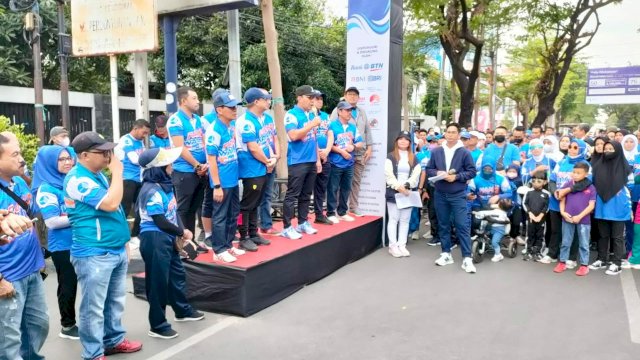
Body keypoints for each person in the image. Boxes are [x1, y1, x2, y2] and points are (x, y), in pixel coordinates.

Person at [64, 131, 142, 359]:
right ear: (85, 155)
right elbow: (110, 203)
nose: (109, 156)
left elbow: (115, 211)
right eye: (103, 152)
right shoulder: (77, 179)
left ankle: (113, 340)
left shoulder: (95, 173)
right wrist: (118, 172)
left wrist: (124, 241)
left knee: (114, 301)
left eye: (109, 151)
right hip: (93, 253)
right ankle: (93, 352)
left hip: (113, 249)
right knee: (93, 308)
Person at [137, 147, 204, 339]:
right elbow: (160, 221)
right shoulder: (151, 191)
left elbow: (173, 214)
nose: (172, 167)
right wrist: (182, 232)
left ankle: (182, 310)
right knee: (158, 282)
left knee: (177, 274)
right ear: (158, 168)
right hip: (155, 239)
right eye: (169, 164)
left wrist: (181, 233)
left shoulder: (165, 185)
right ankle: (157, 325)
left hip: (167, 236)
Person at [0, 132, 48, 360]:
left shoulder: (19, 182)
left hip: (31, 271)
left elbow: (32, 217)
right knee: (8, 341)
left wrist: (40, 259)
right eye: (15, 154)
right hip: (8, 276)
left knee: (38, 326)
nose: (21, 159)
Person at [34, 145, 78, 339]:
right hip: (63, 246)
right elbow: (52, 222)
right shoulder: (46, 189)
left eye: (69, 158)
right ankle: (67, 326)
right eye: (61, 159)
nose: (68, 162)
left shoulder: (72, 181)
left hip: (82, 242)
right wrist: (82, 217)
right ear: (50, 163)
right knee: (68, 285)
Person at [425, 123, 477, 273]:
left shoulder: (464, 152)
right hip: (440, 193)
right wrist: (438, 174)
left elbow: (472, 172)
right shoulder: (436, 151)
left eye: (454, 132)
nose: (451, 135)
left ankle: (467, 258)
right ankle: (446, 253)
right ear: (445, 134)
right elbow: (428, 169)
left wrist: (456, 177)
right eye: (448, 132)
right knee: (443, 224)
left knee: (462, 225)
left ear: (458, 135)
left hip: (458, 194)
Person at [205, 91, 244, 263]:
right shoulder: (214, 130)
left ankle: (228, 245)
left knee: (233, 213)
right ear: (219, 109)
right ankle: (218, 249)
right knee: (220, 216)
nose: (235, 110)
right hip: (222, 182)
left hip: (233, 180)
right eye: (230, 107)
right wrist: (217, 185)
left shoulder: (230, 126)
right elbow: (211, 159)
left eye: (235, 106)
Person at [235, 88, 276, 250]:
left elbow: (267, 142)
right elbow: (253, 147)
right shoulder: (246, 121)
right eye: (266, 99)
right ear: (256, 101)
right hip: (251, 168)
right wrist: (267, 161)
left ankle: (253, 233)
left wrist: (272, 157)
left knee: (256, 202)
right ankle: (243, 236)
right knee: (247, 204)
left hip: (263, 166)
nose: (269, 101)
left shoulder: (264, 118)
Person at [280, 85, 322, 240]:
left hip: (311, 160)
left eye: (314, 98)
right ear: (299, 97)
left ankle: (303, 222)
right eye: (309, 97)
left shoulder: (310, 115)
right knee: (292, 195)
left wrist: (317, 159)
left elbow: (314, 139)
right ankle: (287, 227)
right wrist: (312, 124)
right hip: (297, 161)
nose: (312, 101)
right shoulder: (291, 115)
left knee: (306, 194)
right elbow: (293, 135)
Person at [540, 138, 590, 266]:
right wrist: (556, 192)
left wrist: (566, 191)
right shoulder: (561, 162)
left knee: (574, 232)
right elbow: (552, 180)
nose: (572, 150)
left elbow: (586, 183)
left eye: (575, 147)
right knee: (555, 230)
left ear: (582, 149)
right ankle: (552, 254)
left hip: (574, 203)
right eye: (570, 147)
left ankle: (571, 258)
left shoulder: (585, 164)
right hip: (556, 201)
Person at [167, 87, 209, 234]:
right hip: (184, 172)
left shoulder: (198, 120)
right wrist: (197, 165)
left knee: (194, 208)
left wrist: (205, 165)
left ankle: (191, 241)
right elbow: (181, 147)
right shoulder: (175, 120)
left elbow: (205, 143)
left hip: (201, 171)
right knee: (183, 210)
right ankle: (183, 243)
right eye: (194, 98)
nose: (198, 102)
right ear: (184, 101)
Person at [591, 140, 632, 276]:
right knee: (602, 235)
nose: (608, 151)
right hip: (602, 204)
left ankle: (617, 262)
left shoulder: (625, 167)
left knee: (618, 236)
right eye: (606, 148)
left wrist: (630, 207)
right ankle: (602, 259)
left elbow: (630, 188)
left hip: (619, 205)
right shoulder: (597, 165)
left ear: (618, 150)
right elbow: (592, 183)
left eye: (611, 149)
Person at [331, 86, 373, 217]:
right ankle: (337, 210)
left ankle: (354, 207)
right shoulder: (336, 111)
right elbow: (331, 133)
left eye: (355, 95)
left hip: (359, 153)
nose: (353, 96)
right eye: (350, 94)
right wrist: (340, 150)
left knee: (354, 182)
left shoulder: (362, 112)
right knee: (337, 184)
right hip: (340, 155)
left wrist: (370, 147)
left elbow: (367, 131)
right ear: (345, 95)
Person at [553, 162, 596, 276]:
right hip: (567, 218)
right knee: (566, 242)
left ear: (586, 174)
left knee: (584, 243)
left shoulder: (590, 187)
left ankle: (584, 265)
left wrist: (579, 216)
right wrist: (563, 213)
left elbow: (591, 206)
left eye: (578, 173)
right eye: (574, 172)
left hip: (584, 221)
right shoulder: (568, 184)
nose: (575, 175)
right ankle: (562, 262)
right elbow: (562, 199)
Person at [467, 157, 513, 262]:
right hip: (479, 204)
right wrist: (469, 194)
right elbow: (469, 190)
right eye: (485, 168)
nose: (487, 171)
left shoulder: (500, 178)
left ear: (493, 168)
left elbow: (509, 193)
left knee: (494, 223)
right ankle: (480, 239)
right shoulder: (476, 178)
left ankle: (495, 241)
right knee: (476, 221)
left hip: (496, 206)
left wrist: (498, 197)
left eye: (490, 169)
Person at [385, 131, 421, 257]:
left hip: (407, 192)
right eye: (400, 139)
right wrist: (398, 187)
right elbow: (388, 175)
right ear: (397, 141)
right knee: (394, 219)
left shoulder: (414, 158)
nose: (403, 141)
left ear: (410, 143)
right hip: (394, 192)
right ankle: (393, 246)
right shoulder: (390, 156)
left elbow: (416, 174)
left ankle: (402, 245)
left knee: (405, 220)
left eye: (406, 139)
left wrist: (406, 186)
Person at [326, 101, 363, 224]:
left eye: (350, 110)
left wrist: (353, 146)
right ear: (339, 111)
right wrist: (341, 152)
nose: (349, 113)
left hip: (349, 163)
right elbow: (329, 145)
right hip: (335, 162)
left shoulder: (353, 127)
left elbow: (360, 142)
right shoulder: (331, 125)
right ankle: (331, 212)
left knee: (346, 188)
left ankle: (342, 212)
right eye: (346, 110)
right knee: (333, 188)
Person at [114, 119, 151, 238]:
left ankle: (136, 233)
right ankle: (119, 235)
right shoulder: (126, 140)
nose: (145, 136)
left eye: (146, 133)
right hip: (127, 179)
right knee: (124, 208)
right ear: (135, 129)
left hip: (139, 179)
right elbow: (135, 159)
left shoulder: (140, 141)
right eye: (143, 132)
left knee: (142, 207)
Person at [313, 91, 335, 225]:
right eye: (317, 99)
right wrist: (318, 154)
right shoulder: (308, 116)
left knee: (321, 188)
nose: (320, 101)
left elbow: (330, 135)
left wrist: (326, 151)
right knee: (305, 190)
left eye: (321, 99)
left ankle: (319, 214)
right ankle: (300, 220)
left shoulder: (326, 116)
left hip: (325, 156)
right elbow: (311, 136)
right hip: (310, 157)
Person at [522, 172, 550, 261]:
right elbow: (524, 203)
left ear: (544, 182)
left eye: (539, 181)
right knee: (529, 235)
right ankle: (528, 251)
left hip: (541, 219)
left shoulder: (547, 194)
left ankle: (538, 252)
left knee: (540, 236)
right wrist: (530, 213)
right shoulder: (528, 192)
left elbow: (547, 206)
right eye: (533, 181)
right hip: (530, 219)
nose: (536, 183)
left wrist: (540, 216)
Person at [622, 134, 640, 254]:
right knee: (628, 225)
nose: (629, 144)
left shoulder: (638, 157)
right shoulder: (619, 157)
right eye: (626, 141)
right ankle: (629, 250)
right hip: (624, 195)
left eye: (631, 142)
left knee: (636, 225)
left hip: (637, 195)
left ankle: (636, 251)